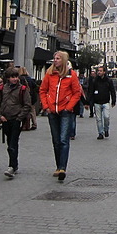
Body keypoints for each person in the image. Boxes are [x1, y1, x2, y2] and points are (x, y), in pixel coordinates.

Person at [39, 51, 81, 181]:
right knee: (56, 140)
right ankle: (58, 166)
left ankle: (62, 167)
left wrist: (69, 107)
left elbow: (77, 92)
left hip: (65, 112)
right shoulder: (49, 74)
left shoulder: (71, 75)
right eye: (54, 58)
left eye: (57, 58)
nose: (55, 60)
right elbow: (43, 90)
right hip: (52, 111)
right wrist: (46, 106)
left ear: (63, 60)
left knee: (63, 139)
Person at [0, 67, 31, 178]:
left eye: (16, 77)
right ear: (8, 78)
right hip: (5, 119)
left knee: (13, 142)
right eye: (12, 77)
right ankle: (14, 164)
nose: (15, 79)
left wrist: (19, 118)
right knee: (10, 141)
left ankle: (11, 166)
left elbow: (27, 105)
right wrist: (0, 115)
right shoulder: (2, 88)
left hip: (16, 119)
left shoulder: (22, 89)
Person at [90, 65, 116, 139]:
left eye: (100, 71)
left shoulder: (108, 80)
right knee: (98, 119)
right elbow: (91, 91)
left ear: (104, 72)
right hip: (97, 102)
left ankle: (106, 129)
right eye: (98, 71)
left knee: (106, 117)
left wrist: (113, 100)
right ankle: (100, 133)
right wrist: (89, 102)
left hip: (105, 102)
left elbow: (112, 91)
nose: (99, 72)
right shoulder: (95, 81)